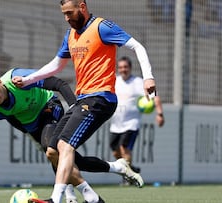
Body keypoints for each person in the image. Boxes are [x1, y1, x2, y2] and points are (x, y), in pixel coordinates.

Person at [12, 0, 157, 202]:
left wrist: (148, 76)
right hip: (82, 99)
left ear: (82, 6)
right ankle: (93, 197)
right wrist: (28, 80)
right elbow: (56, 65)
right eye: (64, 14)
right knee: (52, 150)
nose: (67, 18)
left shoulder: (102, 27)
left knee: (65, 146)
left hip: (101, 98)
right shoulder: (70, 36)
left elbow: (137, 46)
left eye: (70, 13)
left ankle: (57, 198)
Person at [0, 68, 136, 203]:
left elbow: (58, 83)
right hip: (32, 124)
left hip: (49, 107)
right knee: (70, 159)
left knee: (52, 149)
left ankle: (73, 196)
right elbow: (12, 118)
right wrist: (28, 133)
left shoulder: (16, 78)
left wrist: (75, 107)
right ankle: (116, 167)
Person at [109, 56, 165, 185]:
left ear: (130, 68)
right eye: (121, 67)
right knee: (115, 151)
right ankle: (131, 170)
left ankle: (127, 179)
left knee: (124, 148)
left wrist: (160, 114)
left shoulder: (138, 82)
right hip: (115, 124)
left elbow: (154, 96)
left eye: (126, 67)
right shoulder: (114, 81)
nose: (123, 70)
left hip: (131, 123)